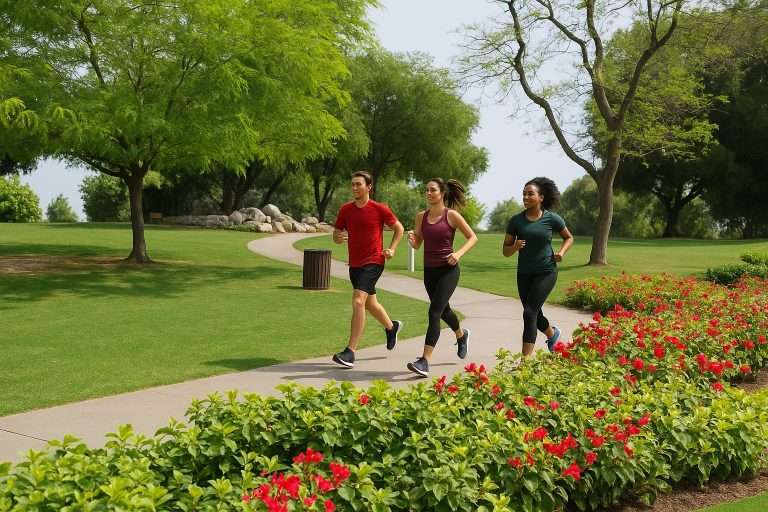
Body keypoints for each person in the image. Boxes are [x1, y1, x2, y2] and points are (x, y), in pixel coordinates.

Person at [331, 171, 405, 368]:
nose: (354, 188)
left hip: (374, 261)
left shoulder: (379, 209)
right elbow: (337, 233)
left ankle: (350, 352)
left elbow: (399, 228)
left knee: (358, 301)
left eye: (358, 184)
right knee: (370, 303)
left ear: (368, 187)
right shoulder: (346, 210)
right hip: (354, 264)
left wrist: (392, 249)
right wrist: (337, 237)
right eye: (353, 184)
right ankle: (391, 327)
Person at [405, 178, 478, 377]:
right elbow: (418, 244)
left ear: (442, 193)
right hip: (429, 272)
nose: (428, 193)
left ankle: (424, 360)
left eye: (432, 190)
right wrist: (413, 240)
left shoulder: (451, 215)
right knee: (444, 311)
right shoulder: (421, 216)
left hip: (448, 270)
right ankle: (461, 336)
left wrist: (458, 254)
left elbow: (473, 237)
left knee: (434, 312)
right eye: (426, 190)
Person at [502, 177, 573, 359]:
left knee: (529, 312)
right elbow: (505, 251)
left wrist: (562, 252)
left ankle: (525, 361)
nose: (525, 197)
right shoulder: (516, 221)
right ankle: (552, 335)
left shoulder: (552, 219)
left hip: (546, 271)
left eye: (530, 194)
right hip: (524, 274)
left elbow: (569, 237)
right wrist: (515, 247)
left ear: (541, 197)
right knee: (534, 313)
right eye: (524, 194)